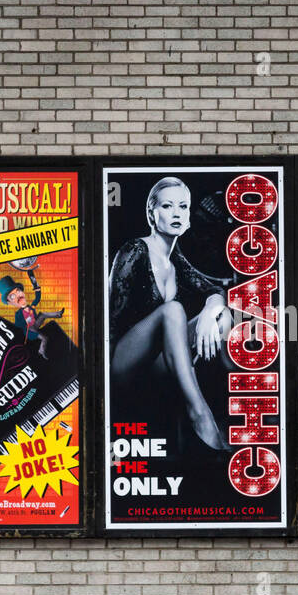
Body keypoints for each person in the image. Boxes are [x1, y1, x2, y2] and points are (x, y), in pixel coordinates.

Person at [108, 177, 232, 451]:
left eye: (183, 207)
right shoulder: (135, 250)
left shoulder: (174, 258)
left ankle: (226, 405)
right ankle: (199, 413)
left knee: (222, 317)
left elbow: (213, 290)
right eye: (167, 206)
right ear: (152, 213)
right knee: (173, 310)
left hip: (155, 364)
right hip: (119, 363)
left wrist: (211, 310)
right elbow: (111, 322)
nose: (176, 213)